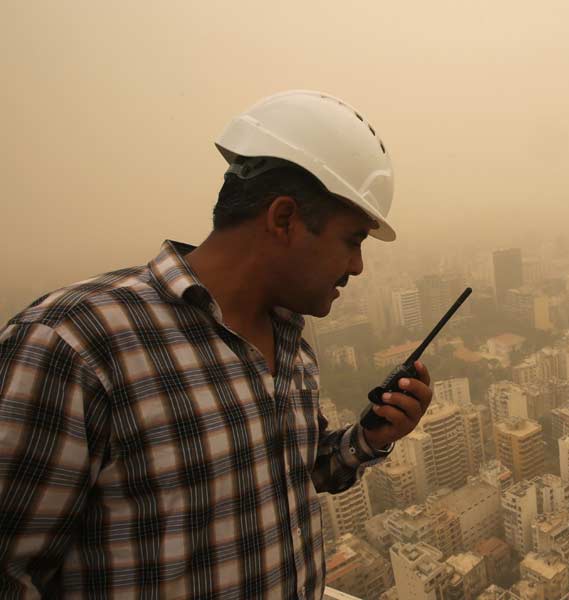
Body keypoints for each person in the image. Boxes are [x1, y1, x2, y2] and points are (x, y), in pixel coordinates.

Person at [0, 90, 433, 598]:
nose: (357, 266)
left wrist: (371, 438)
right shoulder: (78, 345)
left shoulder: (291, 348)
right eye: (353, 239)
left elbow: (292, 474)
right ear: (284, 218)